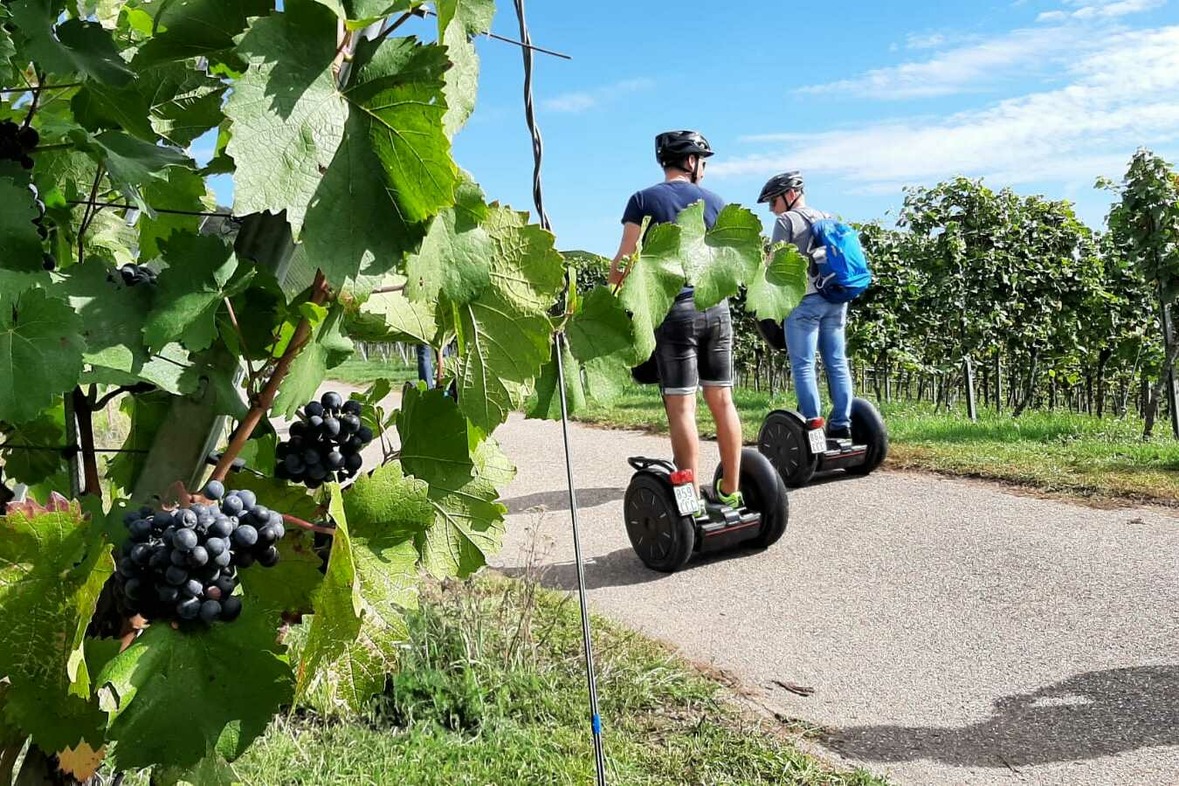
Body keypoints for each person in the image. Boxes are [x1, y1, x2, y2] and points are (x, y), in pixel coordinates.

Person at [608, 130, 744, 509]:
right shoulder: (716, 202)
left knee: (682, 408)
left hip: (675, 313)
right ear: (691, 161)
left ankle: (690, 500)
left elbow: (624, 262)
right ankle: (731, 491)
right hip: (717, 310)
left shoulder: (643, 200)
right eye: (703, 162)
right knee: (723, 401)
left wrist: (612, 297)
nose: (705, 169)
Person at [758, 171, 853, 440]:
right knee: (837, 362)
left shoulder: (787, 220)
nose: (772, 208)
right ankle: (842, 423)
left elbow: (775, 264)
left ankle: (813, 424)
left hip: (805, 301)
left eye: (773, 201)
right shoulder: (827, 217)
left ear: (791, 194)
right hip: (835, 300)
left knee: (803, 365)